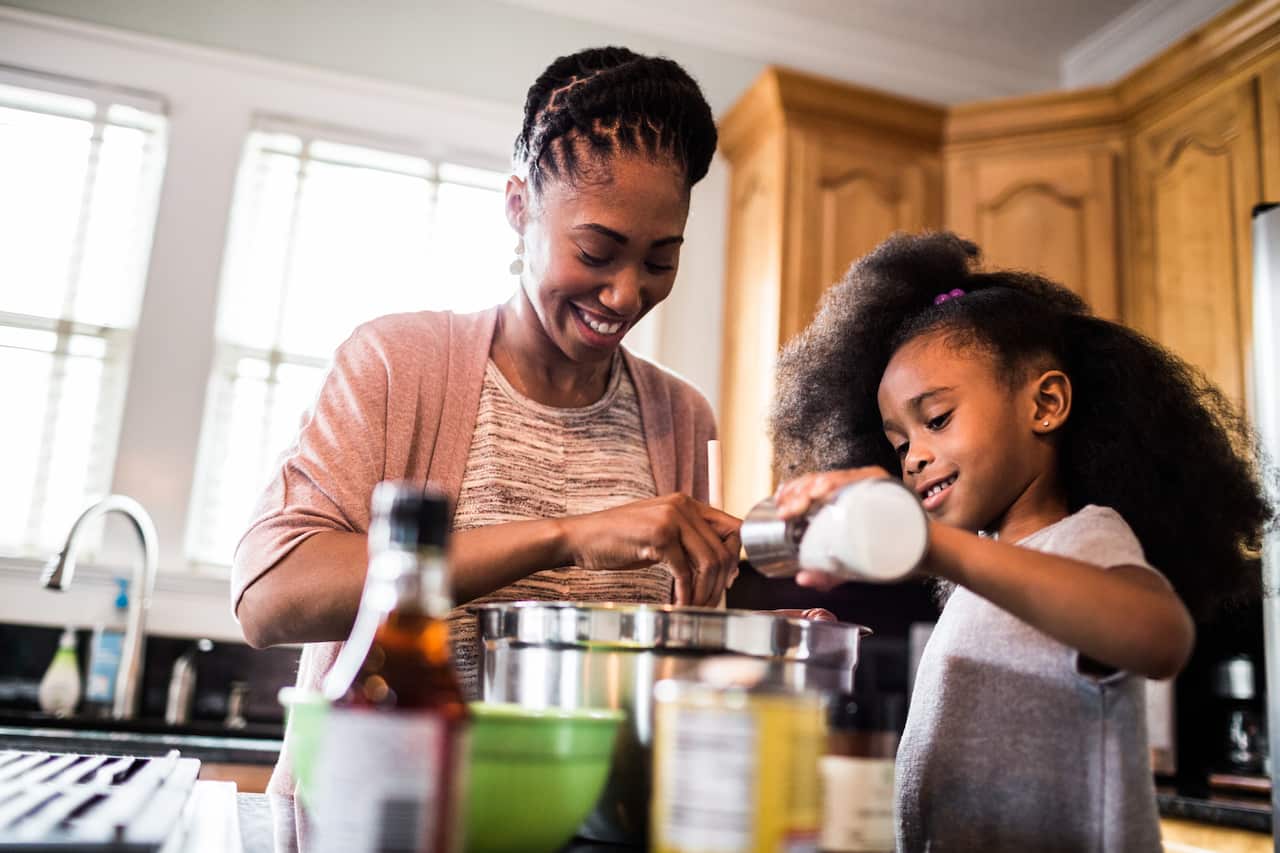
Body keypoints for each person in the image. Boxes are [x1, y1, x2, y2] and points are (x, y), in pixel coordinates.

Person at [231, 47, 741, 794]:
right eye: (597, 251)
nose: (627, 294)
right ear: (518, 207)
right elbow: (270, 595)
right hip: (391, 825)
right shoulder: (398, 364)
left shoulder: (680, 417)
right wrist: (566, 537)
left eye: (660, 261)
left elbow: (676, 668)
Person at [768, 232, 1274, 852]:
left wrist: (928, 544)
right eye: (899, 443)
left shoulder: (1083, 539)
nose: (914, 457)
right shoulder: (976, 579)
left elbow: (1160, 637)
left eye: (938, 419)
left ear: (1047, 404)